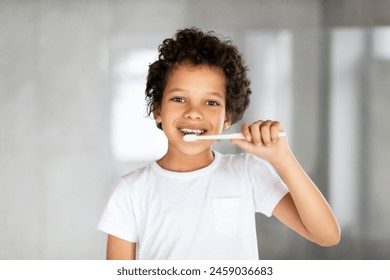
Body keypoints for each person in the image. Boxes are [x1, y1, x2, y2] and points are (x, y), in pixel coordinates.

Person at [97, 27, 340, 260]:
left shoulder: (248, 172)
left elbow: (327, 236)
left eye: (211, 103)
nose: (193, 112)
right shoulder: (130, 191)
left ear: (228, 118)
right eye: (179, 99)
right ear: (158, 110)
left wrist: (283, 160)